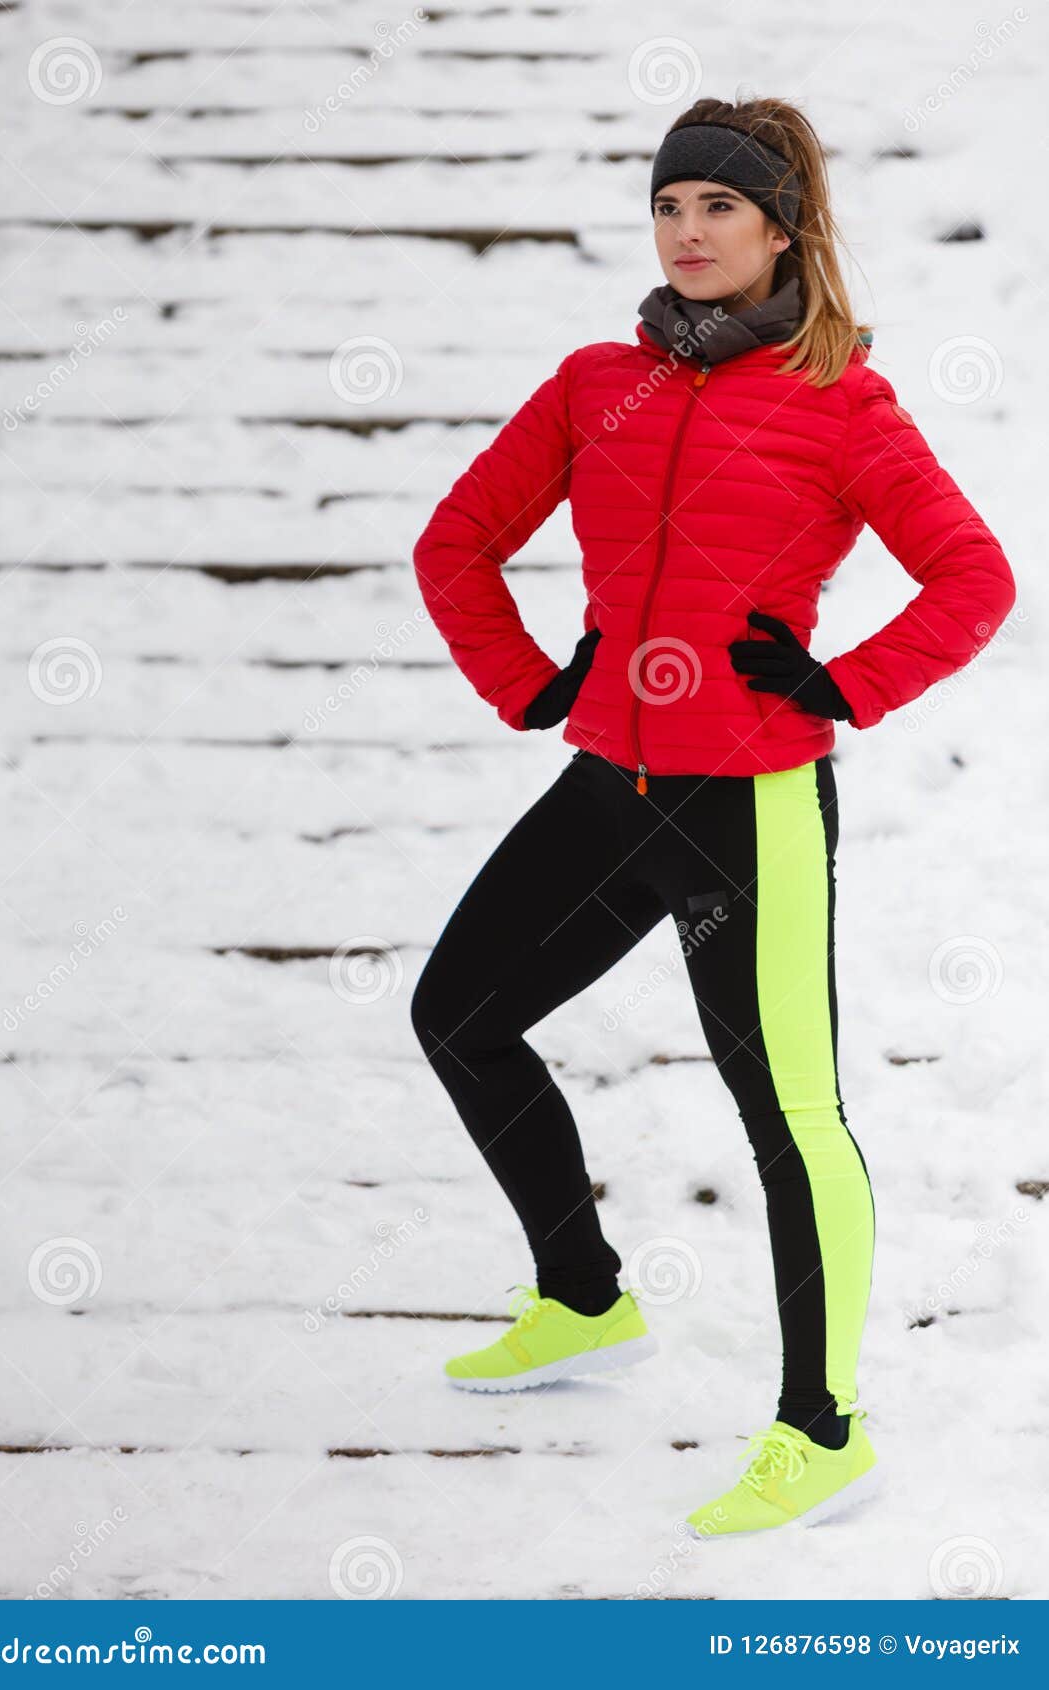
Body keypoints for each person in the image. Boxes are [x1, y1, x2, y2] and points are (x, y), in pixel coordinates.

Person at [408, 95, 1016, 1536]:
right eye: (671, 205)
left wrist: (841, 683)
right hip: (609, 783)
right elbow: (457, 539)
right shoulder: (591, 385)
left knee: (788, 1114)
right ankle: (582, 1296)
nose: (688, 231)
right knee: (460, 1014)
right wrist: (529, 679)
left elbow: (974, 579)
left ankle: (823, 1429)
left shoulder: (838, 400)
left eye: (720, 209)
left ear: (779, 232)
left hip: (753, 804)